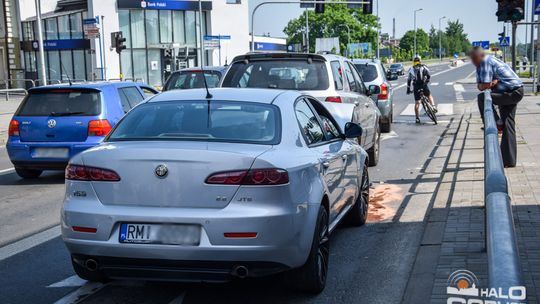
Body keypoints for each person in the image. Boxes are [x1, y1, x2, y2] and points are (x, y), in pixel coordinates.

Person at [470, 46, 523, 168]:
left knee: (482, 98)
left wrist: (484, 85)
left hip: (511, 92)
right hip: (515, 91)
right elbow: (487, 83)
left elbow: (485, 85)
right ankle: (508, 161)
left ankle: (494, 123)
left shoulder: (484, 61)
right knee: (508, 123)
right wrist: (487, 84)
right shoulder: (487, 60)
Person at [407, 56, 436, 124]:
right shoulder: (423, 66)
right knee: (429, 95)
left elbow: (409, 80)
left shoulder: (411, 69)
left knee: (417, 103)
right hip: (423, 85)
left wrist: (408, 89)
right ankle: (433, 107)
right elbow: (428, 75)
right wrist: (427, 81)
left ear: (413, 61)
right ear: (420, 60)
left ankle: (417, 118)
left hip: (416, 87)